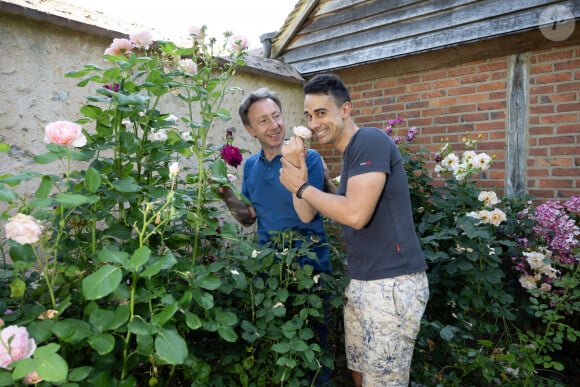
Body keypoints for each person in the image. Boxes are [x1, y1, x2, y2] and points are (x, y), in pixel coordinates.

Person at [279, 74, 429, 387]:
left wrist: (303, 186)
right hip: (363, 282)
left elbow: (356, 214)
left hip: (391, 284)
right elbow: (306, 213)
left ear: (345, 109)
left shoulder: (369, 140)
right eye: (309, 115)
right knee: (361, 377)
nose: (314, 122)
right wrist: (297, 168)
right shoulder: (349, 156)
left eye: (322, 113)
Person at [215, 87, 333, 384]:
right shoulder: (252, 166)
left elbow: (308, 212)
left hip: (310, 270)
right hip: (270, 272)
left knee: (313, 352)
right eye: (263, 120)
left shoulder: (311, 158)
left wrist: (296, 163)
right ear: (250, 129)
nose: (274, 125)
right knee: (279, 350)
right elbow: (248, 218)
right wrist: (226, 195)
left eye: (277, 116)